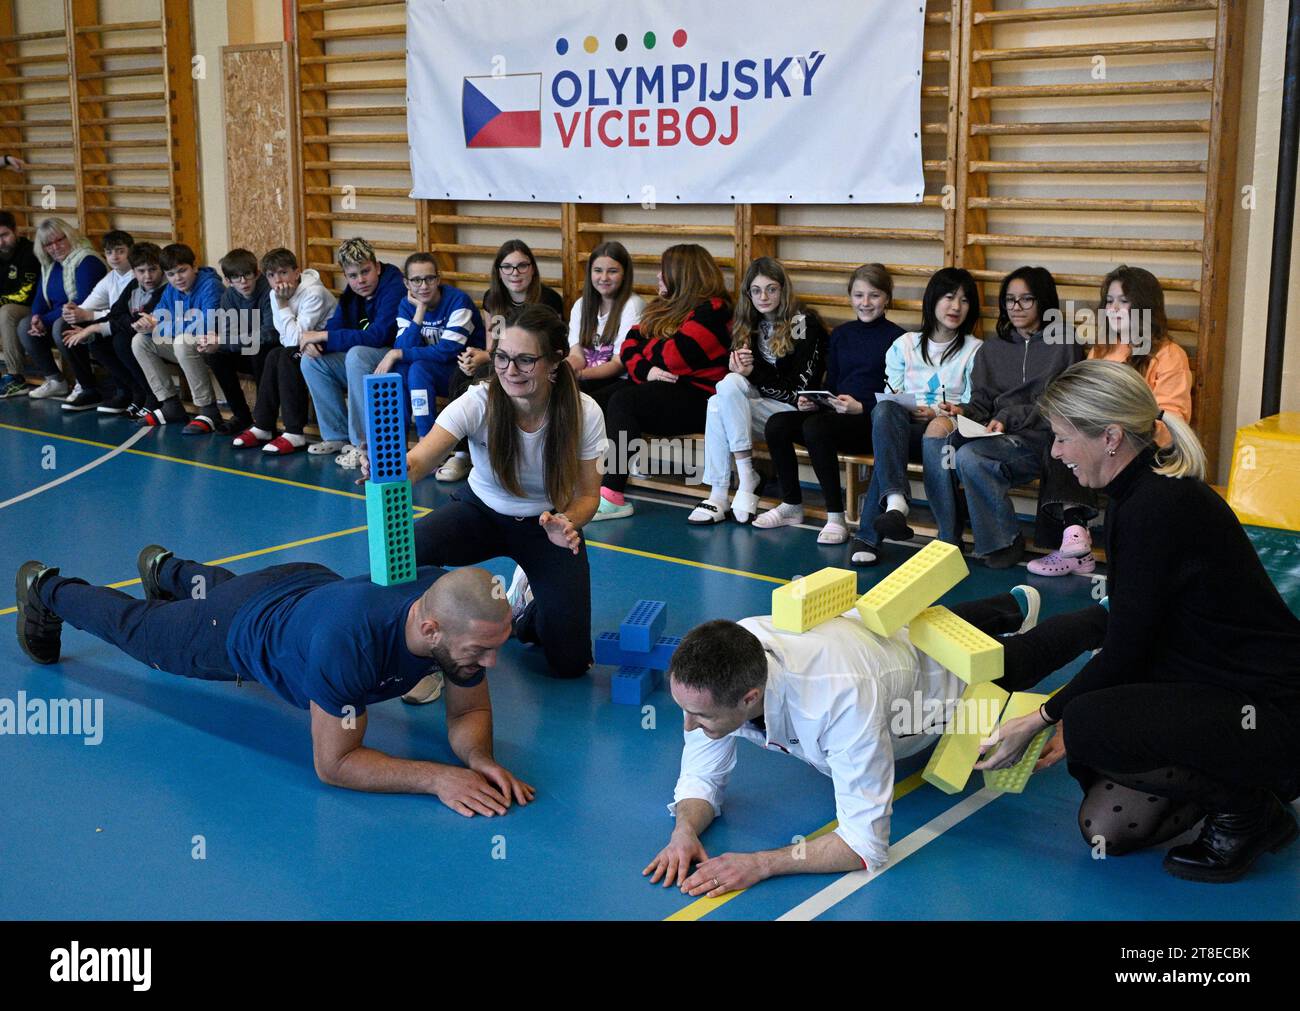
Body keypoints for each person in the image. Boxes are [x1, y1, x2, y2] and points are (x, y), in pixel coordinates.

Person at [980, 360, 1300, 882]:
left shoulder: (1157, 506)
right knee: (1106, 827)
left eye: (1062, 438)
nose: (1056, 452)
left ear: (1109, 437)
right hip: (1213, 689)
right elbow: (1141, 633)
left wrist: (1045, 718)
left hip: (1266, 708)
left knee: (1087, 721)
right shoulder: (1139, 496)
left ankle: (1247, 812)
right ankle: (1245, 793)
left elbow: (1127, 649)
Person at [643, 582, 1109, 895]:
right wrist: (683, 830)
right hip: (867, 634)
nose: (687, 726)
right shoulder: (727, 657)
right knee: (933, 622)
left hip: (930, 689)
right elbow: (703, 772)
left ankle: (1104, 618)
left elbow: (864, 846)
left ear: (750, 697)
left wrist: (762, 863)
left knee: (1019, 658)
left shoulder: (840, 704)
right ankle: (1009, 606)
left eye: (699, 717)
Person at [16, 549, 533, 816]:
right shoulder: (348, 646)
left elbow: (468, 713)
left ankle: (167, 568)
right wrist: (438, 778)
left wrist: (479, 759)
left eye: (496, 647)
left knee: (235, 594)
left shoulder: (453, 608)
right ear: (429, 628)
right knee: (143, 634)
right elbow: (336, 764)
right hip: (241, 627)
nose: (490, 663)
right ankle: (48, 589)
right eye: (480, 651)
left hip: (305, 585)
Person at [375, 304, 605, 681]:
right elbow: (419, 461)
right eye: (502, 357)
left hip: (547, 525)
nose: (510, 370)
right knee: (404, 552)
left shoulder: (585, 412)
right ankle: (419, 641)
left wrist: (567, 522)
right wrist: (388, 467)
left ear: (555, 362)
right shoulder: (478, 401)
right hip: (479, 513)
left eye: (525, 360)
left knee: (570, 665)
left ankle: (526, 607)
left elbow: (588, 496)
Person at [1030, 265, 1194, 577]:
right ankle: (1074, 533)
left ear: (1145, 305)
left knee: (1081, 440)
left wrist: (1119, 431)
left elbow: (1171, 421)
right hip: (1100, 441)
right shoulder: (1103, 349)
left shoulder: (1170, 355)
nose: (1113, 309)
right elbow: (1082, 401)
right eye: (1108, 301)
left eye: (1123, 301)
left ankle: (1075, 540)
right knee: (1065, 436)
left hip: (1141, 446)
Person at [921, 265, 1078, 568]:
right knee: (938, 438)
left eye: (1025, 299)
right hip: (994, 435)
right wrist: (963, 411)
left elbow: (1062, 406)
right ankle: (948, 537)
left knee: (969, 457)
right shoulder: (992, 348)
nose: (1015, 307)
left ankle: (1002, 541)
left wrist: (1009, 416)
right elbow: (981, 401)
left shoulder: (1065, 345)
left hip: (1038, 442)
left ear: (1043, 301)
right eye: (1009, 300)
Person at [754, 263, 905, 544]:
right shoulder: (842, 335)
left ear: (887, 299)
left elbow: (898, 397)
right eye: (858, 295)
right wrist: (815, 400)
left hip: (870, 422)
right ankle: (791, 504)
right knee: (778, 424)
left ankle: (835, 516)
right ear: (850, 297)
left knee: (816, 428)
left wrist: (862, 407)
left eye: (874, 296)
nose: (865, 303)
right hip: (835, 415)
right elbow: (833, 383)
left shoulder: (898, 338)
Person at [849, 267, 983, 566]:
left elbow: (974, 403)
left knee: (895, 447)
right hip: (904, 427)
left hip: (949, 431)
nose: (956, 307)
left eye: (964, 300)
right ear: (933, 300)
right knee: (885, 409)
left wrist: (938, 411)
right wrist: (907, 408)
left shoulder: (975, 350)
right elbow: (892, 391)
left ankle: (874, 533)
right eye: (949, 297)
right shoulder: (905, 344)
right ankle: (896, 503)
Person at [593, 243, 732, 521]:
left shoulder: (714, 310)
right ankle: (589, 482)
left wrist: (652, 351)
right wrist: (647, 370)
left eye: (663, 271)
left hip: (699, 399)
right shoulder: (661, 306)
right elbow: (629, 346)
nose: (658, 276)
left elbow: (676, 356)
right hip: (660, 386)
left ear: (682, 275)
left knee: (625, 400)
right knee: (597, 397)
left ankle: (612, 493)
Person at [687, 256, 827, 526]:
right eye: (756, 290)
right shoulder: (749, 324)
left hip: (791, 413)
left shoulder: (802, 323)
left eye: (771, 289)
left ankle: (726, 489)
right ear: (748, 293)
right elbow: (746, 384)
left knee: (720, 400)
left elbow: (795, 392)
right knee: (724, 390)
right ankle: (730, 485)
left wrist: (752, 374)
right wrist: (737, 369)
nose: (764, 296)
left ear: (783, 290)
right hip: (755, 412)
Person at [436, 240, 567, 485]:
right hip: (502, 359)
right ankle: (464, 453)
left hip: (534, 363)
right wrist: (474, 358)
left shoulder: (548, 299)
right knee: (461, 375)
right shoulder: (493, 299)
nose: (514, 273)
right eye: (507, 267)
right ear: (498, 271)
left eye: (521, 266)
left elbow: (552, 346)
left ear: (532, 269)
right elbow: (493, 347)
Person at [299, 237, 404, 466]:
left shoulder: (394, 285)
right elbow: (338, 326)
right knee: (311, 361)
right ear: (346, 276)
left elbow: (379, 336)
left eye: (365, 272)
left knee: (356, 354)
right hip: (367, 363)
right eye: (353, 276)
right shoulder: (351, 293)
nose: (361, 280)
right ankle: (337, 436)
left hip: (396, 360)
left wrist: (322, 335)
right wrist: (315, 344)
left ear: (377, 267)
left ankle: (363, 444)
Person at [371, 252, 485, 446]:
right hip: (430, 372)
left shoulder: (458, 301)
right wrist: (420, 312)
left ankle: (427, 441)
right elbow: (403, 347)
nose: (423, 286)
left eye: (429, 279)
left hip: (464, 372)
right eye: (416, 280)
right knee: (401, 370)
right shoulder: (407, 306)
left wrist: (398, 353)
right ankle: (394, 443)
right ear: (406, 284)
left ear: (438, 279)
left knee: (417, 368)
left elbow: (447, 350)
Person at [232, 248, 337, 455]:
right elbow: (286, 337)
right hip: (302, 347)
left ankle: (294, 432)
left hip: (327, 348)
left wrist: (282, 305)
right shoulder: (275, 294)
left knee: (287, 357)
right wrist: (282, 304)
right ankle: (263, 425)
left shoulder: (313, 293)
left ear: (296, 272)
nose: (278, 280)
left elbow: (292, 340)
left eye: (283, 272)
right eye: (271, 275)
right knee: (274, 355)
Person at [130, 242, 226, 431]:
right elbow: (156, 317)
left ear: (194, 267)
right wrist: (146, 325)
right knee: (140, 341)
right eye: (171, 274)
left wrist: (159, 327)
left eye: (182, 271)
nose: (177, 278)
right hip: (189, 348)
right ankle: (170, 405)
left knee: (182, 341)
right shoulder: (171, 290)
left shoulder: (211, 285)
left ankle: (208, 410)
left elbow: (205, 325)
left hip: (217, 346)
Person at [20, 217, 106, 402]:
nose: (55, 247)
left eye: (60, 240)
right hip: (58, 316)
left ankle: (86, 385)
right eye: (49, 244)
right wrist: (36, 316)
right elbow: (40, 296)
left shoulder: (87, 260)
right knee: (25, 326)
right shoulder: (49, 265)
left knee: (62, 326)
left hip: (89, 317)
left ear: (70, 236)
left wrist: (46, 320)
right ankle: (55, 380)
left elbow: (82, 301)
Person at [56, 229, 136, 413]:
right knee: (68, 326)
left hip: (133, 326)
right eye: (109, 252)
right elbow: (87, 306)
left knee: (105, 339)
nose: (114, 257)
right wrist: (72, 311)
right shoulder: (111, 278)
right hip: (117, 323)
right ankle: (88, 388)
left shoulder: (138, 275)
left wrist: (90, 317)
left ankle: (127, 390)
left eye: (120, 251)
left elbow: (129, 313)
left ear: (131, 251)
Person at [201, 248, 277, 436]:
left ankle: (264, 420)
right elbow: (229, 332)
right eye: (236, 277)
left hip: (269, 351)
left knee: (261, 350)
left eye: (247, 275)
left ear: (256, 274)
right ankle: (241, 415)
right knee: (215, 355)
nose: (243, 282)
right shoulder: (229, 296)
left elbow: (270, 333)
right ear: (228, 280)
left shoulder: (268, 292)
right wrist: (214, 340)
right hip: (246, 347)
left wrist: (225, 341)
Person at [89, 242, 167, 421]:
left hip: (157, 337)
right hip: (135, 333)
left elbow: (139, 320)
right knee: (96, 340)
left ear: (161, 268)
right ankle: (135, 390)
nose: (147, 276)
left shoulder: (164, 288)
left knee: (122, 340)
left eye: (152, 269)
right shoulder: (134, 286)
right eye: (141, 271)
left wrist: (102, 325)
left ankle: (152, 395)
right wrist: (90, 328)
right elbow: (116, 312)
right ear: (134, 271)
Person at [565, 241, 644, 396]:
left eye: (612, 271)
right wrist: (563, 371)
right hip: (586, 376)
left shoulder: (632, 306)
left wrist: (579, 375)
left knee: (581, 400)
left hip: (619, 380)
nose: (604, 277)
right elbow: (576, 355)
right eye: (598, 271)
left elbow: (618, 364)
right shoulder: (581, 305)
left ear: (625, 274)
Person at [0, 210, 40, 397]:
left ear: (16, 231)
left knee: (6, 312)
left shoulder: (29, 252)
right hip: (6, 305)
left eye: (4, 235)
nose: (1, 242)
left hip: (31, 307)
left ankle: (15, 377)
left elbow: (25, 294)